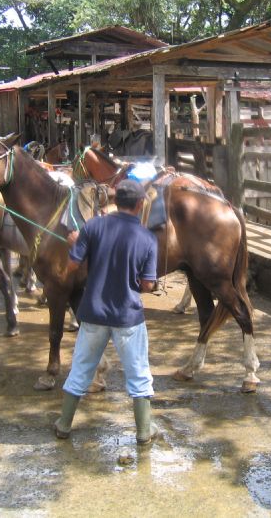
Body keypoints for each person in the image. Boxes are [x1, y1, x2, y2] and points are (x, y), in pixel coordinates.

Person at [53, 179, 159, 444]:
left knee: (80, 370)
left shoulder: (93, 226)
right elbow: (147, 285)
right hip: (128, 317)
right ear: (139, 204)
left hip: (93, 314)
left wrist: (74, 244)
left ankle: (64, 425)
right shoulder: (147, 238)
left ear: (116, 202)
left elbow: (73, 266)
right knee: (138, 374)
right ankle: (144, 431)